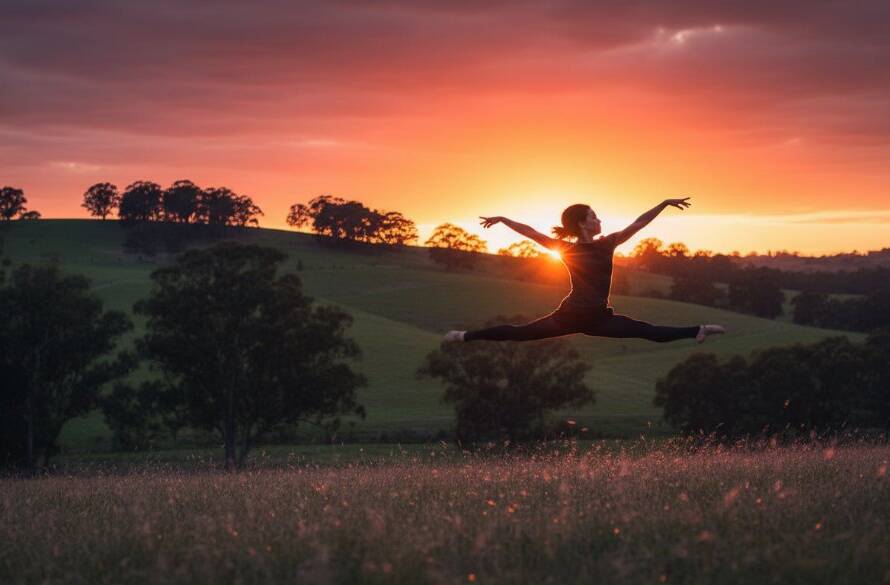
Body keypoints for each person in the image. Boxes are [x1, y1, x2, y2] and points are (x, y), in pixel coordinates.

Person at [443, 197, 725, 344]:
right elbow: (530, 232)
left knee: (648, 332)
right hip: (570, 316)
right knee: (518, 333)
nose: (599, 219)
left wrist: (662, 204)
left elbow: (639, 223)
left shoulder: (607, 244)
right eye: (593, 216)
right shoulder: (567, 250)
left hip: (598, 319)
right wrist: (504, 219)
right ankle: (463, 336)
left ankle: (698, 330)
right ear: (582, 223)